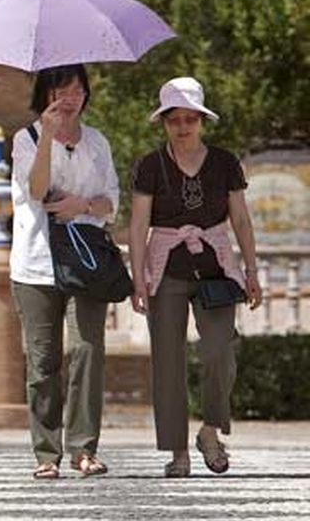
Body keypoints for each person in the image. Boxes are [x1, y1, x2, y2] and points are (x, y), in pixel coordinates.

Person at [128, 77, 262, 478]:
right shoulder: (149, 166)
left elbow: (240, 217)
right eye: (175, 120)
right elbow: (138, 226)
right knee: (167, 362)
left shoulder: (224, 163)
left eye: (190, 119)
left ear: (202, 120)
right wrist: (139, 279)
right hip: (166, 268)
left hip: (217, 269)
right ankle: (178, 452)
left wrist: (251, 270)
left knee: (220, 349)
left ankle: (209, 430)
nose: (183, 127)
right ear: (164, 123)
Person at [10, 64, 120, 479]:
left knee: (87, 349)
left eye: (77, 88)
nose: (70, 96)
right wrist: (47, 138)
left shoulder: (97, 142)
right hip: (36, 263)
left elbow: (111, 200)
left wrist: (83, 207)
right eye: (61, 88)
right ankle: (46, 452)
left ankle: (83, 448)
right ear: (45, 93)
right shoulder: (26, 139)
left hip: (87, 263)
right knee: (43, 361)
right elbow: (36, 191)